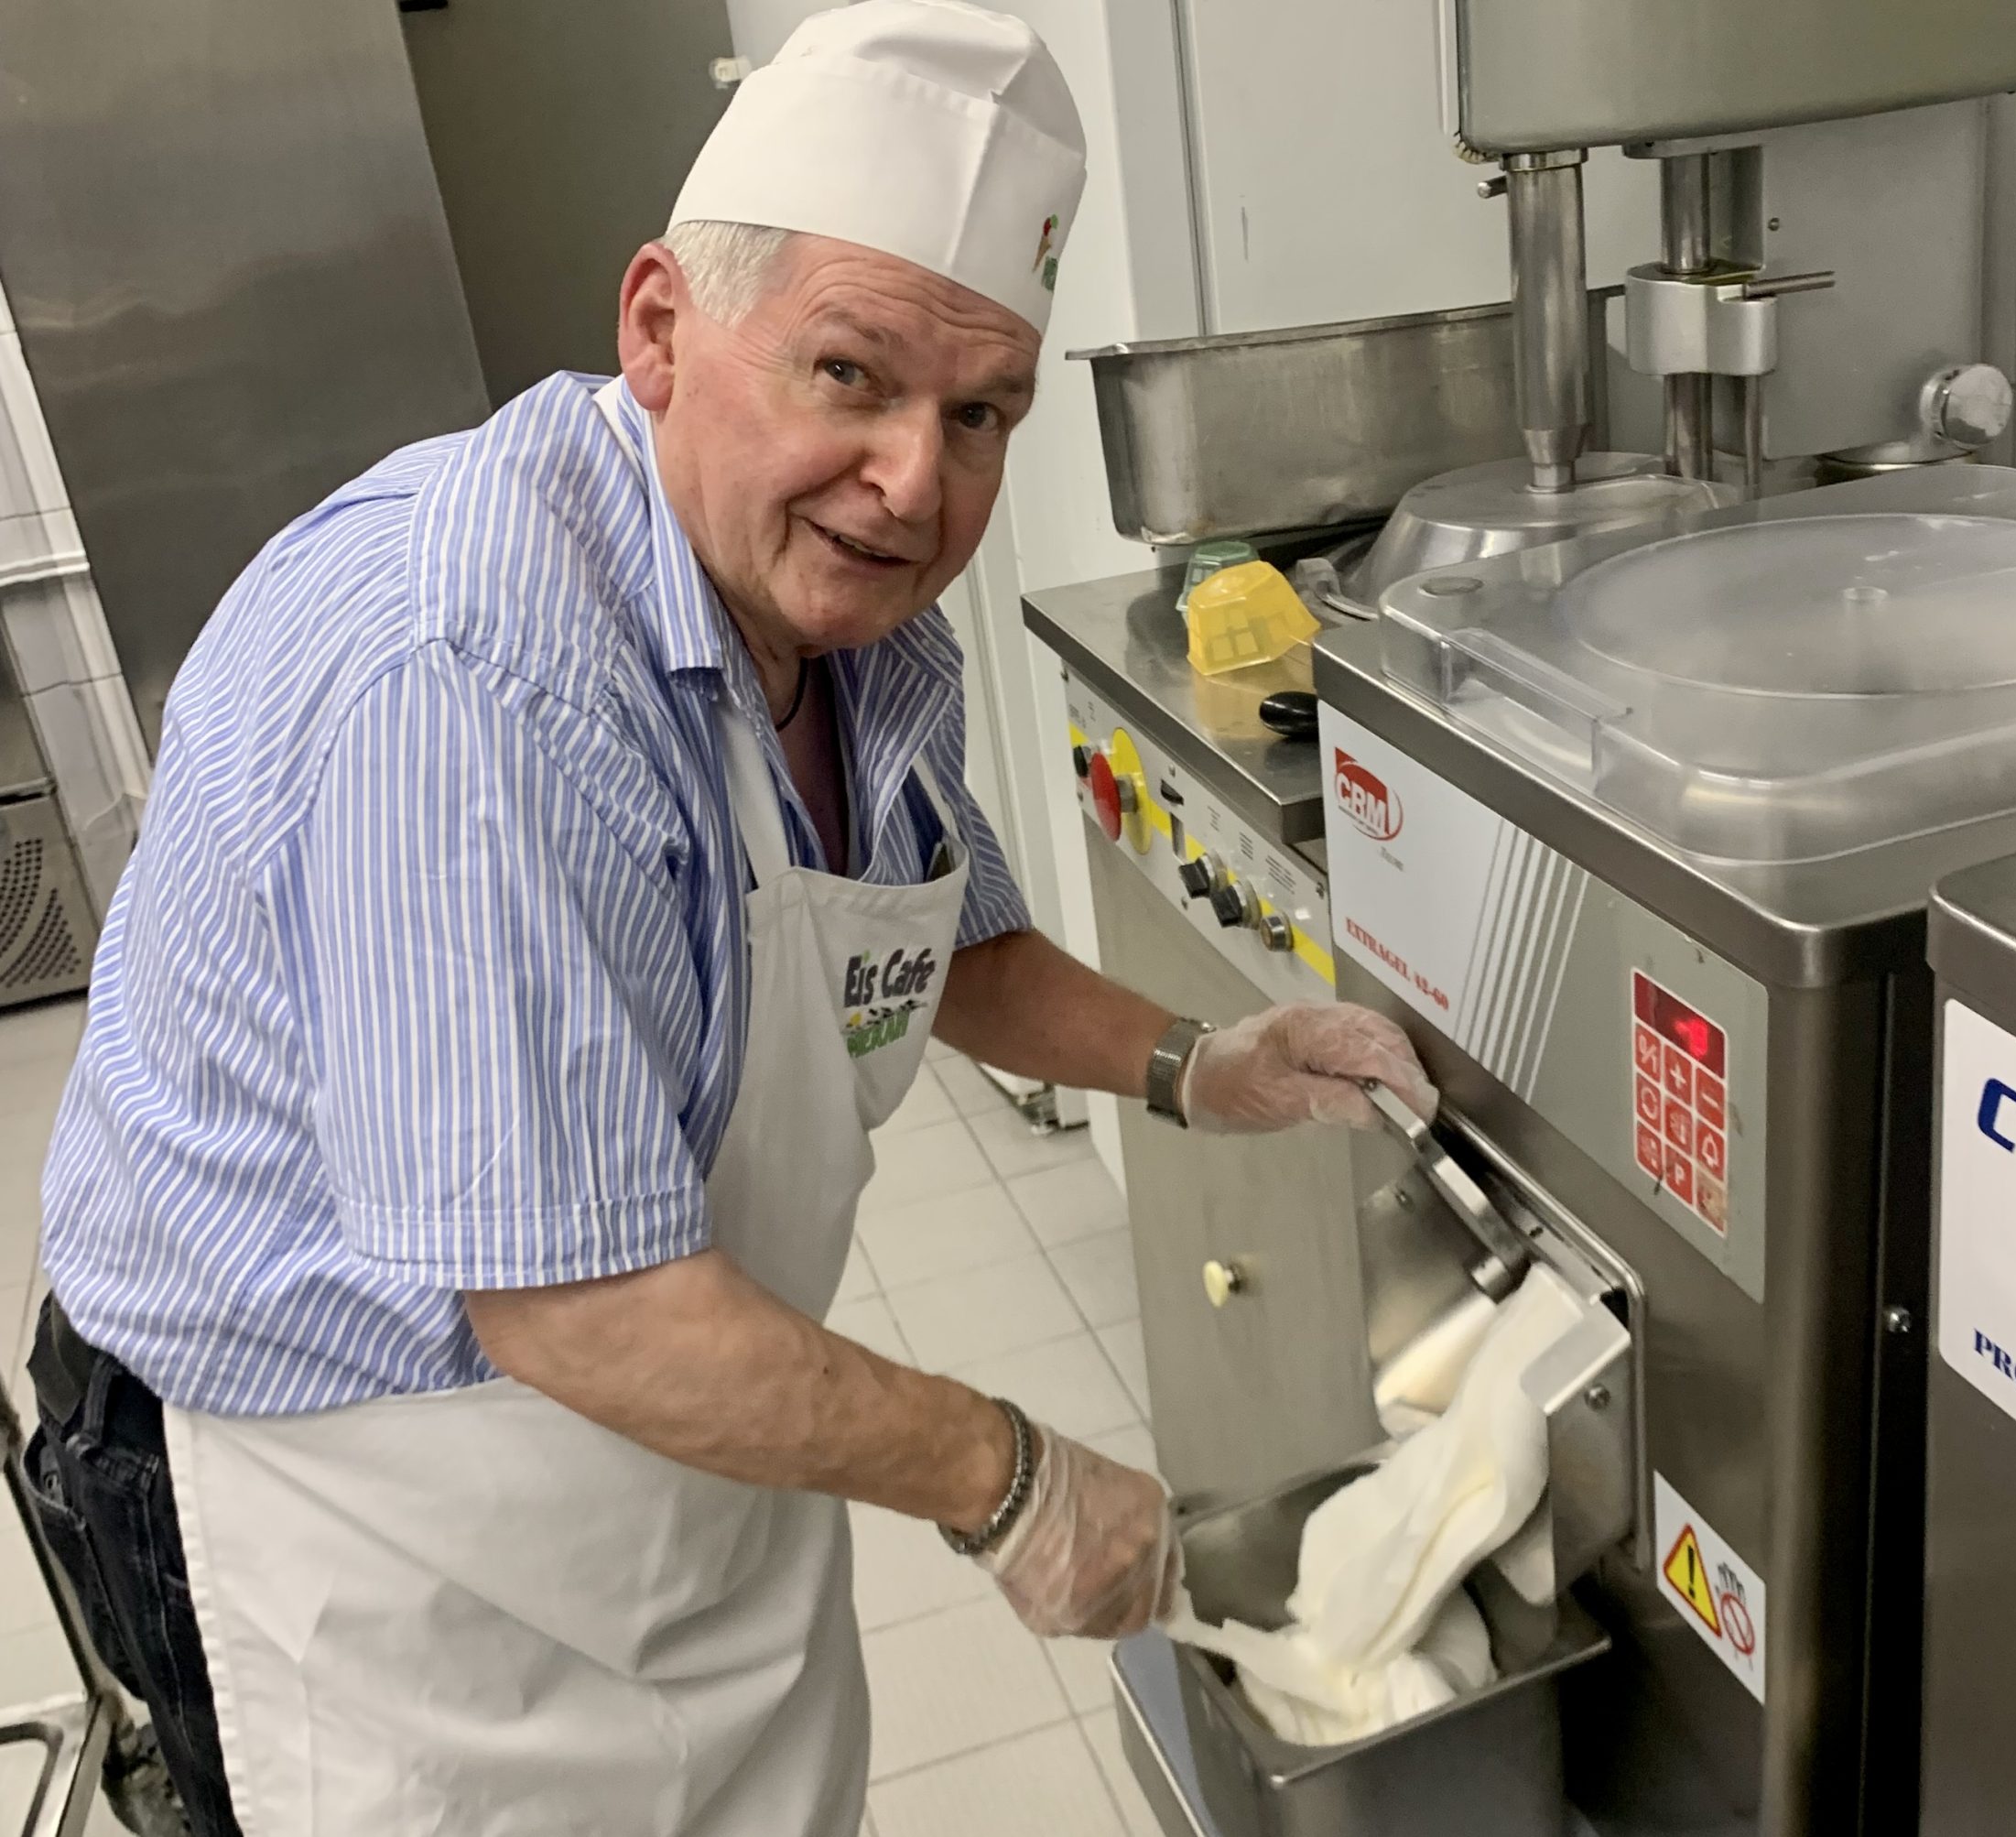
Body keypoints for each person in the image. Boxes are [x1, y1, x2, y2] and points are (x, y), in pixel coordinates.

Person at [20, 3, 1436, 1832]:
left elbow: (928, 940)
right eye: (848, 372)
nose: (915, 480)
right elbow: (579, 1305)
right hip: (345, 1481)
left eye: (979, 413)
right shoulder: (474, 673)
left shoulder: (849, 630)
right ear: (659, 329)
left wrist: (1201, 1061)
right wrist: (1003, 1475)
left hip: (645, 1429)